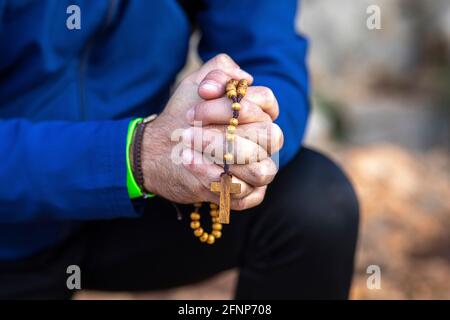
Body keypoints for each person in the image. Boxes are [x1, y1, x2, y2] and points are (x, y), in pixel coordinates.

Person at [0, 0, 359, 299]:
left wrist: (246, 129)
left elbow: (267, 54)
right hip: (15, 220)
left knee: (314, 202)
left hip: (126, 205)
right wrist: (131, 156)